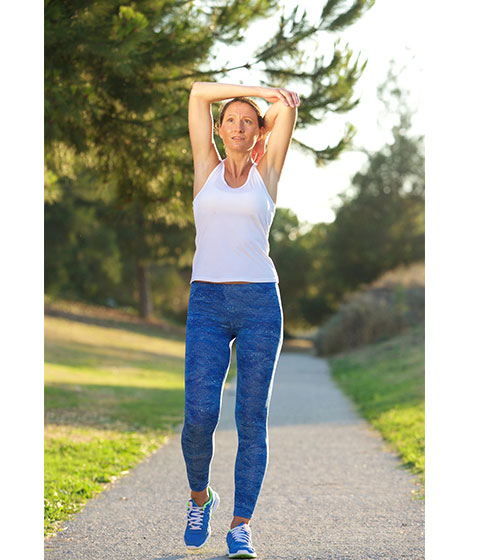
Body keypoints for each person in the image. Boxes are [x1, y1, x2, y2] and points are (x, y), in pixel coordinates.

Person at [181, 81, 300, 559]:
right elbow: (196, 94)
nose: (237, 126)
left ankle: (240, 525)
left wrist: (264, 115)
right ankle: (200, 498)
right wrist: (255, 92)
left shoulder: (267, 171)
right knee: (199, 415)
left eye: (248, 121)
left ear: (259, 133)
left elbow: (284, 112)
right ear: (217, 128)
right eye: (229, 119)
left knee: (251, 417)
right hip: (206, 303)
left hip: (259, 305)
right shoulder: (205, 168)